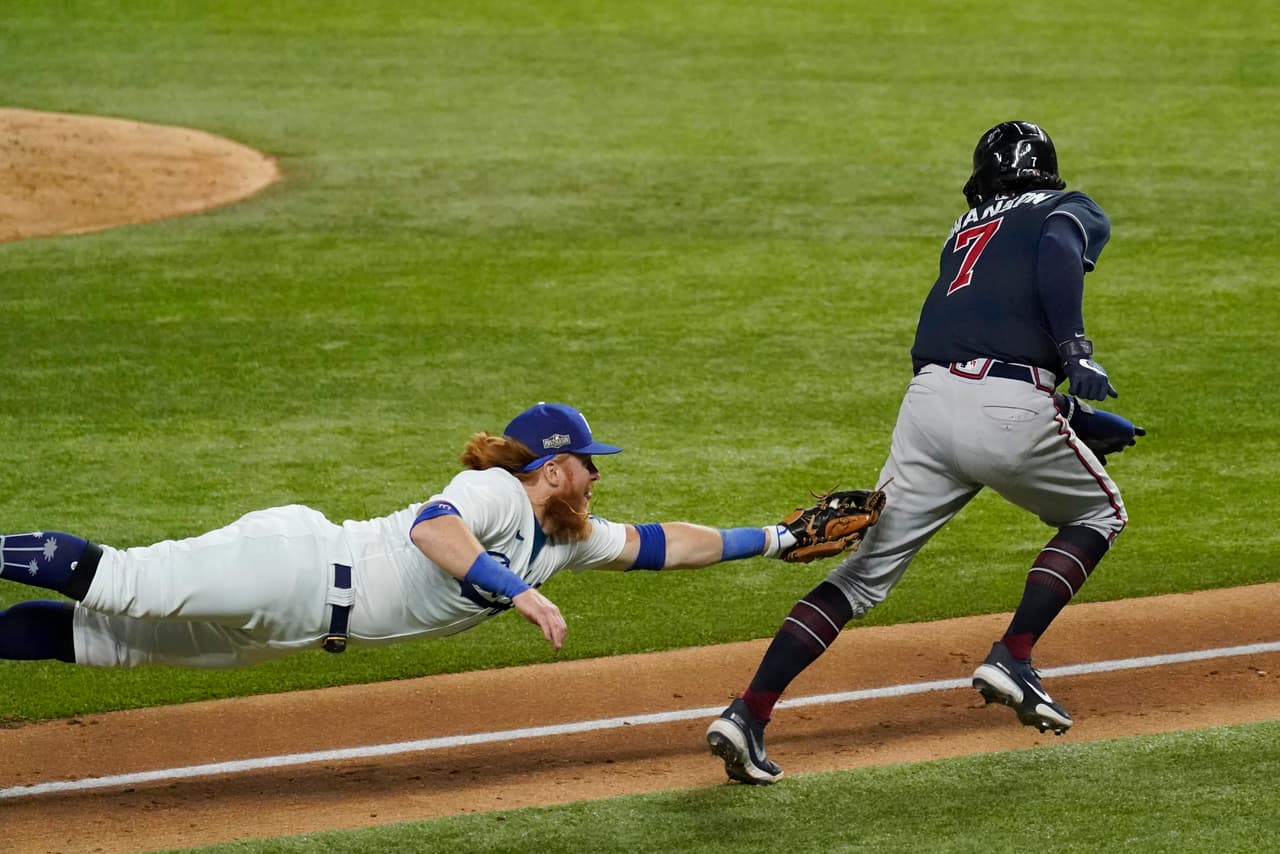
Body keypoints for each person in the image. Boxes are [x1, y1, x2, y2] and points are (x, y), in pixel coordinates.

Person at [707, 121, 1133, 785]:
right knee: (1099, 515)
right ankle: (1014, 654)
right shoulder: (1068, 206)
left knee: (860, 576)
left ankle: (748, 712)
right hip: (1010, 406)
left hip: (928, 406)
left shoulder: (963, 230)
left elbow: (972, 334)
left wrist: (1069, 413)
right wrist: (1075, 353)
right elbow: (1055, 246)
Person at [0, 402, 806, 669]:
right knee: (128, 584)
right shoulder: (494, 493)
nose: (599, 475)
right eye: (589, 463)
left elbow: (663, 545)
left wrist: (775, 539)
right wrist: (518, 593)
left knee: (103, 642)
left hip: (293, 625)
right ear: (554, 467)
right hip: (297, 566)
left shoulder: (565, 537)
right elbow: (433, 531)